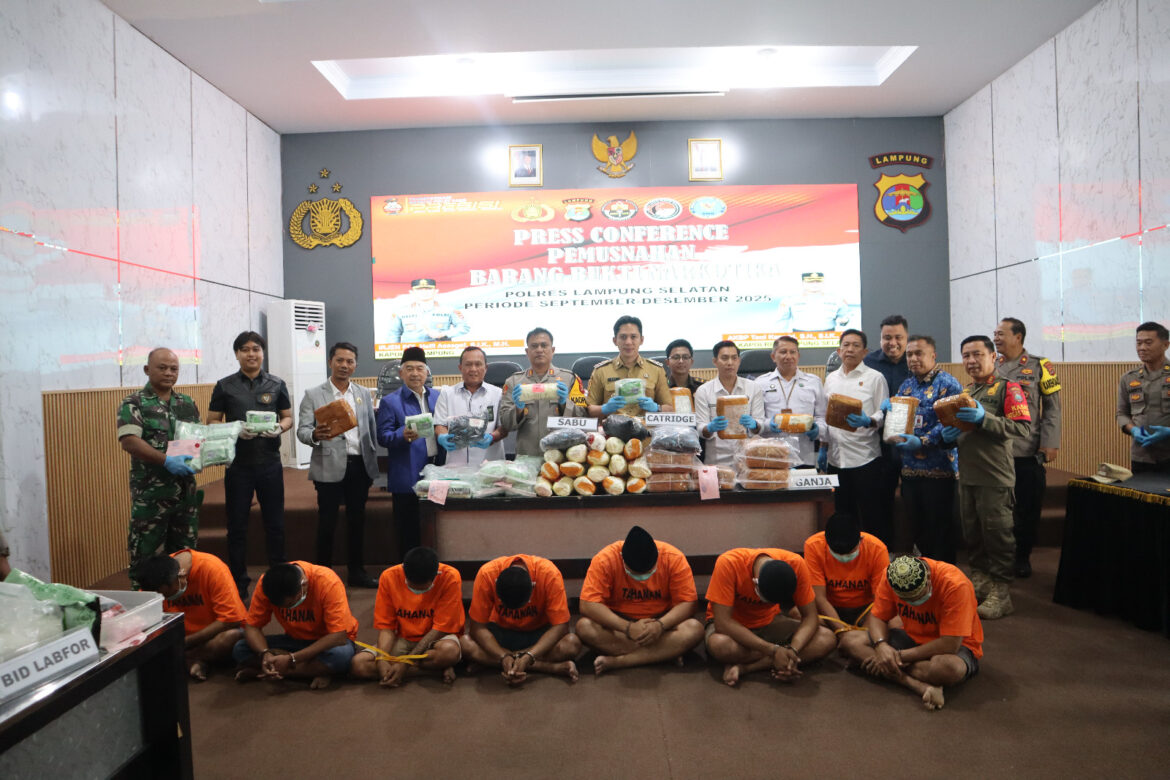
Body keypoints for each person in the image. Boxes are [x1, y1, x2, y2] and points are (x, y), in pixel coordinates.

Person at [941, 335, 1031, 620]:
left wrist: (984, 419)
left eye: (977, 354)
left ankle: (1001, 593)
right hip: (967, 476)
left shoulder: (1008, 388)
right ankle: (981, 582)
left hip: (995, 477)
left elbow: (1022, 429)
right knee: (973, 534)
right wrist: (948, 436)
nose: (971, 361)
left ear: (993, 357)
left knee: (997, 534)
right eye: (966, 355)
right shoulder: (967, 392)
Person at [207, 331, 292, 599]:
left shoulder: (277, 384)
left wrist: (280, 428)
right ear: (237, 354)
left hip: (270, 464)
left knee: (275, 524)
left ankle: (279, 580)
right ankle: (238, 583)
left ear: (262, 353)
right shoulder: (224, 386)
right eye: (245, 349)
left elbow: (288, 417)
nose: (251, 354)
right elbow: (212, 420)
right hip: (238, 466)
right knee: (237, 526)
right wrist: (234, 429)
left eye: (256, 349)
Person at [842, 555, 983, 711]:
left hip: (952, 646)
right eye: (907, 600)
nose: (914, 603)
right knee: (850, 641)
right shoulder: (890, 576)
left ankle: (885, 667)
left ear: (928, 578)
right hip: (909, 636)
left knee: (948, 669)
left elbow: (950, 644)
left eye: (918, 597)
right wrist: (881, 646)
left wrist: (897, 657)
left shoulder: (956, 585)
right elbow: (878, 617)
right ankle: (915, 684)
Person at [296, 341, 380, 588]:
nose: (345, 365)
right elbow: (302, 430)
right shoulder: (313, 394)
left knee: (357, 521)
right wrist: (314, 435)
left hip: (359, 466)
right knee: (327, 522)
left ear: (355, 365)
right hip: (328, 466)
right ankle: (322, 575)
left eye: (350, 361)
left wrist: (372, 462)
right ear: (330, 362)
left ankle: (357, 572)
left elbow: (370, 429)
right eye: (340, 360)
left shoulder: (362, 393)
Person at [117, 347, 202, 589]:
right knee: (146, 561)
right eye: (162, 368)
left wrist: (211, 454)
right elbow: (129, 441)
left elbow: (198, 438)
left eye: (174, 369)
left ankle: (183, 607)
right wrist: (166, 460)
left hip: (185, 495)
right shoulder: (134, 403)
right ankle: (147, 609)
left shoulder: (186, 403)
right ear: (147, 369)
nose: (168, 373)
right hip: (151, 498)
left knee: (185, 558)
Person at [575, 526, 705, 675]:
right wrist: (627, 627)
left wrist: (660, 625)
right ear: (622, 559)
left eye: (647, 572)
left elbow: (689, 603)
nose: (642, 578)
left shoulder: (673, 558)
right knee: (584, 627)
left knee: (694, 629)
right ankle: (665, 654)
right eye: (635, 573)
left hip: (662, 622)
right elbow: (587, 605)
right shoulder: (605, 559)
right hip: (618, 624)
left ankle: (621, 661)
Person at [704, 547, 835, 686]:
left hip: (770, 621)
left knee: (827, 638)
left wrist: (793, 649)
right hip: (733, 628)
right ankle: (780, 658)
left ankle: (748, 667)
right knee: (720, 645)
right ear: (756, 581)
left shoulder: (796, 564)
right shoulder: (728, 563)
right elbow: (723, 623)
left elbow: (810, 617)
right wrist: (773, 650)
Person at [994, 317, 1062, 577]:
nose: (996, 338)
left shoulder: (1040, 366)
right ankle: (1000, 555)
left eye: (1001, 333)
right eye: (994, 334)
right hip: (996, 450)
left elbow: (1052, 409)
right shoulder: (992, 364)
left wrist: (1049, 443)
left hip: (1027, 451)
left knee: (1027, 507)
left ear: (1018, 337)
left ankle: (1022, 556)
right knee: (998, 509)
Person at [887, 335, 963, 562]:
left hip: (939, 470)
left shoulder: (948, 384)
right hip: (910, 469)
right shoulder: (907, 385)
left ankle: (944, 574)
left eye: (918, 353)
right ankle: (926, 572)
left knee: (939, 528)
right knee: (917, 526)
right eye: (909, 354)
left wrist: (923, 441)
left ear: (933, 355)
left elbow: (950, 421)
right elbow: (899, 420)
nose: (913, 358)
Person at [232, 560, 359, 689]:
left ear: (304, 585)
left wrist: (292, 659)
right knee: (241, 648)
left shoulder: (328, 582)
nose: (288, 609)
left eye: (290, 604)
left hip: (327, 642)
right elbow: (252, 627)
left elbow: (338, 636)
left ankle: (272, 670)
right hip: (295, 640)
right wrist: (265, 653)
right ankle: (312, 671)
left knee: (341, 656)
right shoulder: (267, 583)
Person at [351, 547, 464, 687]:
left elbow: (440, 629)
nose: (417, 592)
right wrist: (381, 659)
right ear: (404, 571)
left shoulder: (450, 576)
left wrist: (406, 663)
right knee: (359, 665)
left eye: (423, 588)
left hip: (436, 639)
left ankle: (400, 671)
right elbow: (387, 628)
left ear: (436, 575)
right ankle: (434, 670)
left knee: (449, 652)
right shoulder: (389, 577)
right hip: (403, 638)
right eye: (413, 586)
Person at [460, 554, 581, 685]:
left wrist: (528, 655)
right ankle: (548, 667)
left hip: (539, 634)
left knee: (572, 644)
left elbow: (561, 626)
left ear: (532, 587)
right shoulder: (487, 574)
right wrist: (503, 656)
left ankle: (494, 663)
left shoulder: (549, 574)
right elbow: (477, 628)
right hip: (500, 634)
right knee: (464, 643)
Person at [821, 330, 891, 544]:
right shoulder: (830, 379)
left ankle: (877, 557)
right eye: (846, 345)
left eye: (856, 345)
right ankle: (848, 556)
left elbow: (883, 414)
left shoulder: (875, 378)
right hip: (836, 459)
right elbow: (826, 417)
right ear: (838, 350)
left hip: (865, 458)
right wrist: (823, 447)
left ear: (865, 352)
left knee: (872, 516)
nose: (850, 349)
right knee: (843, 516)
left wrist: (868, 420)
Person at [134, 550, 247, 680]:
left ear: (181, 576)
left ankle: (189, 658)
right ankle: (196, 659)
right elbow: (143, 617)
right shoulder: (154, 576)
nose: (164, 598)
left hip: (212, 635)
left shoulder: (212, 568)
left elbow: (231, 620)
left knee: (232, 637)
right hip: (178, 639)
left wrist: (186, 642)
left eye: (167, 594)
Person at [376, 346, 445, 560]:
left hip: (437, 471)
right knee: (408, 529)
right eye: (409, 369)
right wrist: (401, 434)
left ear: (427, 372)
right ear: (401, 373)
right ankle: (407, 571)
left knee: (436, 525)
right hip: (407, 474)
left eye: (419, 368)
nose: (415, 373)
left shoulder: (438, 397)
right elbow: (383, 437)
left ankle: (433, 568)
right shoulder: (390, 402)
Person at [802, 513, 889, 654]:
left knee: (895, 619)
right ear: (826, 541)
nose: (843, 558)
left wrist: (863, 631)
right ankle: (852, 643)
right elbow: (819, 598)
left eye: (849, 553)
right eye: (837, 553)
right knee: (797, 612)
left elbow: (879, 601)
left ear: (861, 540)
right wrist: (841, 631)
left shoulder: (877, 549)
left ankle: (854, 642)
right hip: (830, 610)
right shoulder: (813, 545)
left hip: (865, 610)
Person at [498, 327, 582, 457]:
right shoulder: (514, 382)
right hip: (526, 456)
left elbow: (583, 417)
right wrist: (518, 410)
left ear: (552, 350)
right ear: (527, 352)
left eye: (544, 345)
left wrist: (565, 404)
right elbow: (505, 424)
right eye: (534, 346)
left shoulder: (570, 379)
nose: (539, 350)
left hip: (560, 456)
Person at [754, 335, 825, 467]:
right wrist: (769, 424)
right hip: (771, 456)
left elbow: (822, 417)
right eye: (783, 352)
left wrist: (818, 430)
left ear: (798, 356)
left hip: (804, 456)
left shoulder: (813, 382)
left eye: (793, 352)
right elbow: (755, 420)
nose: (788, 356)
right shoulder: (760, 383)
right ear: (773, 357)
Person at [694, 340, 765, 466]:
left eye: (734, 358)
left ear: (739, 361)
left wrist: (754, 425)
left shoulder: (753, 387)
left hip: (747, 459)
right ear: (715, 361)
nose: (730, 363)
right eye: (724, 358)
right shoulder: (703, 391)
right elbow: (700, 428)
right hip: (716, 460)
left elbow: (761, 423)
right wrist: (710, 427)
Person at [586, 315, 673, 418]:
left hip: (645, 427)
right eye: (623, 337)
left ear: (641, 340)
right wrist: (605, 408)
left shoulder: (656, 370)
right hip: (612, 427)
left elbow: (670, 409)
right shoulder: (601, 371)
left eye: (633, 337)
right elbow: (589, 410)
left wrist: (656, 408)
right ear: (615, 340)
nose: (628, 342)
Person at [434, 346, 506, 466]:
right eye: (468, 364)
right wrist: (442, 436)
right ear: (460, 368)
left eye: (478, 364)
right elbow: (440, 424)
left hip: (491, 466)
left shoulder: (498, 394)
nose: (473, 369)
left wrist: (492, 437)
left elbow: (504, 428)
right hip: (456, 465)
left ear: (486, 368)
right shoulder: (447, 393)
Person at [1116, 321, 1170, 473]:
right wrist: (1133, 430)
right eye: (1139, 343)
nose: (1142, 348)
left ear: (1165, 345)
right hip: (1141, 456)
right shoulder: (1129, 378)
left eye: (1148, 343)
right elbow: (1121, 414)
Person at [385, 278, 470, 344]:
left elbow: (464, 327)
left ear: (436, 291)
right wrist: (394, 355)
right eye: (419, 289)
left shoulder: (448, 310)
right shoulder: (401, 312)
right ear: (411, 292)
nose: (424, 292)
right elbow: (393, 335)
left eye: (428, 289)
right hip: (411, 353)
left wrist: (443, 334)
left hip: (440, 353)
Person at [775, 271, 851, 333]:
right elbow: (782, 320)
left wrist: (844, 320)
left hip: (828, 336)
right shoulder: (790, 300)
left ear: (823, 282)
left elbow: (845, 315)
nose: (815, 284)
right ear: (803, 283)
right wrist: (782, 338)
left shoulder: (836, 299)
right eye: (810, 282)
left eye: (818, 281)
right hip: (799, 335)